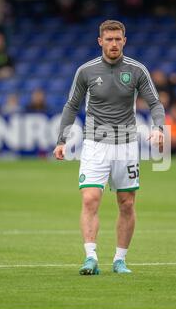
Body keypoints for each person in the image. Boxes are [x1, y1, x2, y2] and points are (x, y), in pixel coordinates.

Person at [53, 20, 165, 275]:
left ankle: (120, 260)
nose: (113, 43)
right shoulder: (86, 71)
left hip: (126, 146)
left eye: (118, 39)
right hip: (95, 144)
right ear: (100, 41)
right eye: (109, 39)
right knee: (90, 199)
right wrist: (61, 140)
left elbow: (155, 103)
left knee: (126, 203)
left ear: (124, 41)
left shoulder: (137, 70)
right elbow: (71, 105)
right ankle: (90, 257)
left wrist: (159, 127)